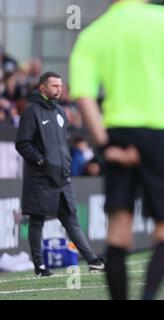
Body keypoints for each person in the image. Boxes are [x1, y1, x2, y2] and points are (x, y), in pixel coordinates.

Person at [69, 0, 164, 300]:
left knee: (118, 231)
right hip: (160, 132)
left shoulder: (93, 33)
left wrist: (105, 145)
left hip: (118, 132)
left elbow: (84, 98)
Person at [15, 72, 105, 277]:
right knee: (37, 220)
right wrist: (41, 161)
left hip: (62, 177)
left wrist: (64, 163)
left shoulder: (61, 111)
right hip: (40, 177)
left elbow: (64, 142)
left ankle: (93, 260)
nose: (59, 89)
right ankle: (39, 267)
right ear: (43, 88)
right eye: (54, 86)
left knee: (71, 219)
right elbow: (22, 143)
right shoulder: (32, 111)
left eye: (60, 86)